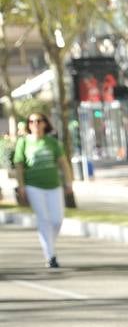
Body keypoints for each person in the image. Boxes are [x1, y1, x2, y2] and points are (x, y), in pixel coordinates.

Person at [14, 112, 74, 268]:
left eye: (38, 121)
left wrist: (69, 183)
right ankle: (50, 255)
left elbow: (64, 163)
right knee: (44, 220)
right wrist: (21, 186)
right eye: (31, 121)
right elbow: (19, 166)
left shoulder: (52, 142)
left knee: (57, 220)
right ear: (28, 125)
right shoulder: (24, 143)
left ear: (45, 124)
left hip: (54, 185)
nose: (35, 124)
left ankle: (49, 246)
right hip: (33, 186)